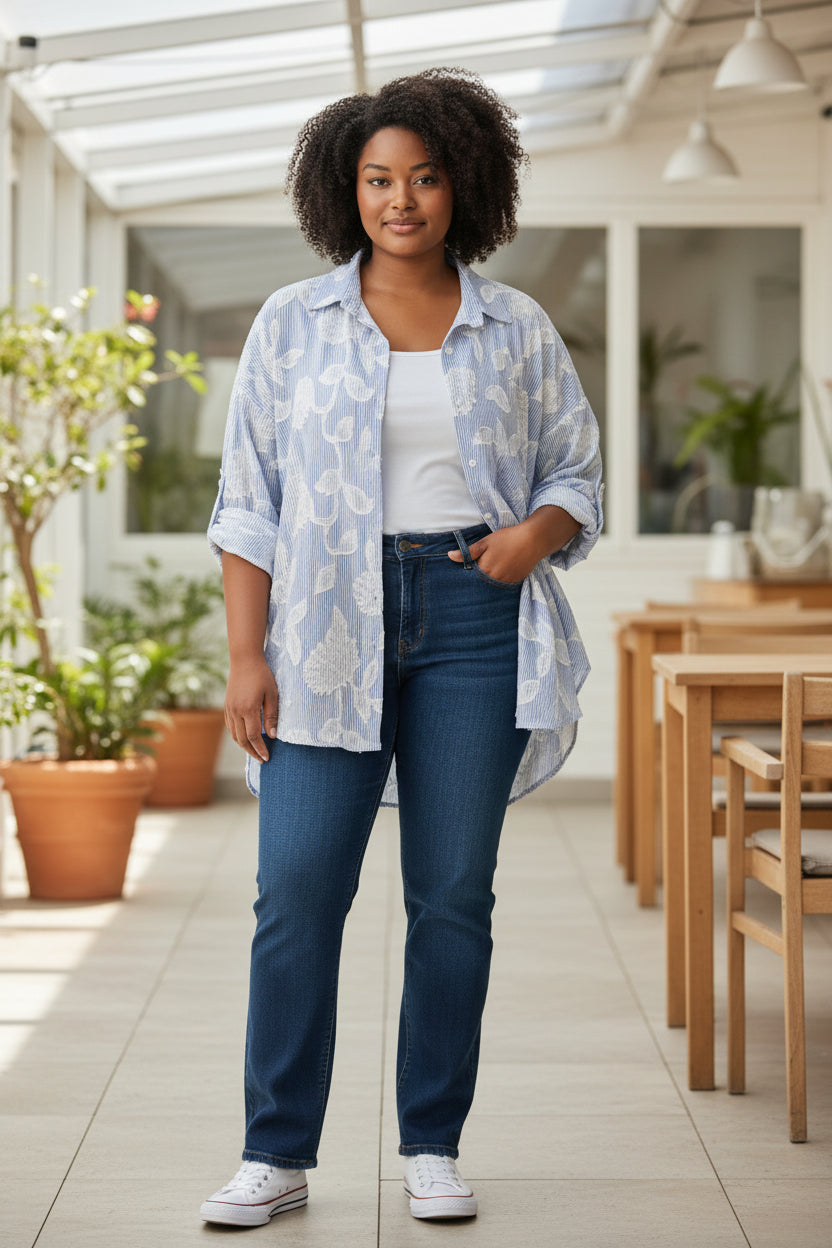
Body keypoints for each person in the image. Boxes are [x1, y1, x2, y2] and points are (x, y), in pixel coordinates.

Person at [201, 66, 603, 1228]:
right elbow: (247, 504)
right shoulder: (293, 322)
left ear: (462, 185)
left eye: (424, 177)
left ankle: (432, 1141)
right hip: (324, 622)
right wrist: (246, 656)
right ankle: (275, 1153)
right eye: (379, 179)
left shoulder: (513, 326)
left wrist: (536, 533)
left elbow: (576, 468)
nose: (402, 200)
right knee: (296, 892)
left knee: (451, 899)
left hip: (474, 617)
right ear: (346, 190)